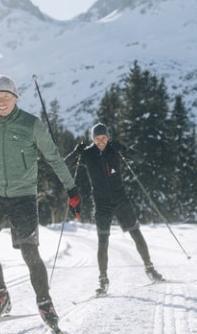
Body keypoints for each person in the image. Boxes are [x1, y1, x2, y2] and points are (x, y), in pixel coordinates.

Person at [0, 74, 82, 331]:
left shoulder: (31, 124)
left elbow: (54, 158)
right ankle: (1, 296)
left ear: (15, 98)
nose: (1, 102)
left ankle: (45, 302)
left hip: (23, 198)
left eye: (6, 97)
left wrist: (71, 189)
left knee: (29, 252)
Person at [65, 122, 163, 296]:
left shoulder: (114, 149)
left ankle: (150, 269)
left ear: (108, 137)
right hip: (101, 203)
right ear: (93, 139)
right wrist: (76, 152)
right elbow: (64, 166)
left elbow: (140, 158)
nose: (101, 141)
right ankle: (103, 280)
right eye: (97, 138)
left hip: (121, 200)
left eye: (103, 138)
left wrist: (124, 149)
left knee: (136, 234)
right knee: (103, 242)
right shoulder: (87, 154)